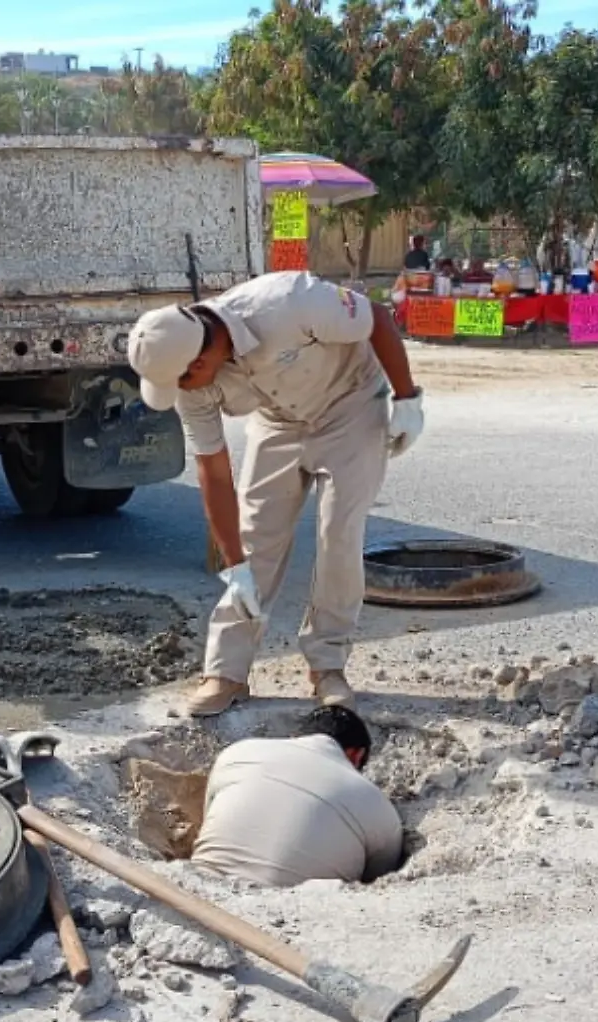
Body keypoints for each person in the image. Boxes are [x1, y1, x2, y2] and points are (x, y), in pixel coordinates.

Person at [126, 271, 424, 717]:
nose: (186, 391)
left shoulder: (289, 302)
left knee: (338, 533)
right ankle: (226, 672)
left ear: (201, 358)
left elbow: (377, 318)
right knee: (254, 540)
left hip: (350, 407)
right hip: (277, 422)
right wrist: (236, 564)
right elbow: (214, 473)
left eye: (185, 380)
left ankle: (327, 666)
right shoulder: (192, 390)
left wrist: (406, 399)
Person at [189, 706, 402, 887]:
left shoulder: (237, 752)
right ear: (357, 756)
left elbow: (209, 818)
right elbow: (378, 879)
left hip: (199, 886)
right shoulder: (374, 802)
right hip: (287, 913)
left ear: (296, 736)